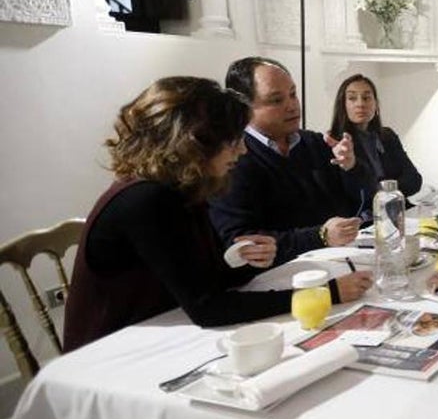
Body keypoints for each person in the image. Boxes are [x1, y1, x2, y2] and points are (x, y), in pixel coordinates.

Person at [63, 77, 372, 352]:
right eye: (233, 141)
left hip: (168, 325)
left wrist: (242, 259)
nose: (242, 151)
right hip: (113, 349)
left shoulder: (182, 187)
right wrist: (326, 293)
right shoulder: (147, 200)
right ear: (194, 145)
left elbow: (203, 276)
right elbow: (208, 307)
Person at [209, 57, 379, 265]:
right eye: (276, 100)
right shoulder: (232, 159)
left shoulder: (315, 142)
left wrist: (351, 166)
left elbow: (368, 198)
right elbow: (241, 245)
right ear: (245, 107)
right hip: (284, 276)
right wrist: (320, 236)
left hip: (343, 260)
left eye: (293, 94)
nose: (292, 106)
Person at [328, 74, 422, 199]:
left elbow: (414, 180)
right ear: (342, 105)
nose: (360, 104)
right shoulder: (336, 142)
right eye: (352, 98)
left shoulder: (387, 136)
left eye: (366, 98)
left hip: (396, 210)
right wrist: (391, 189)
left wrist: (381, 192)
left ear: (376, 104)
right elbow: (349, 192)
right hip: (361, 216)